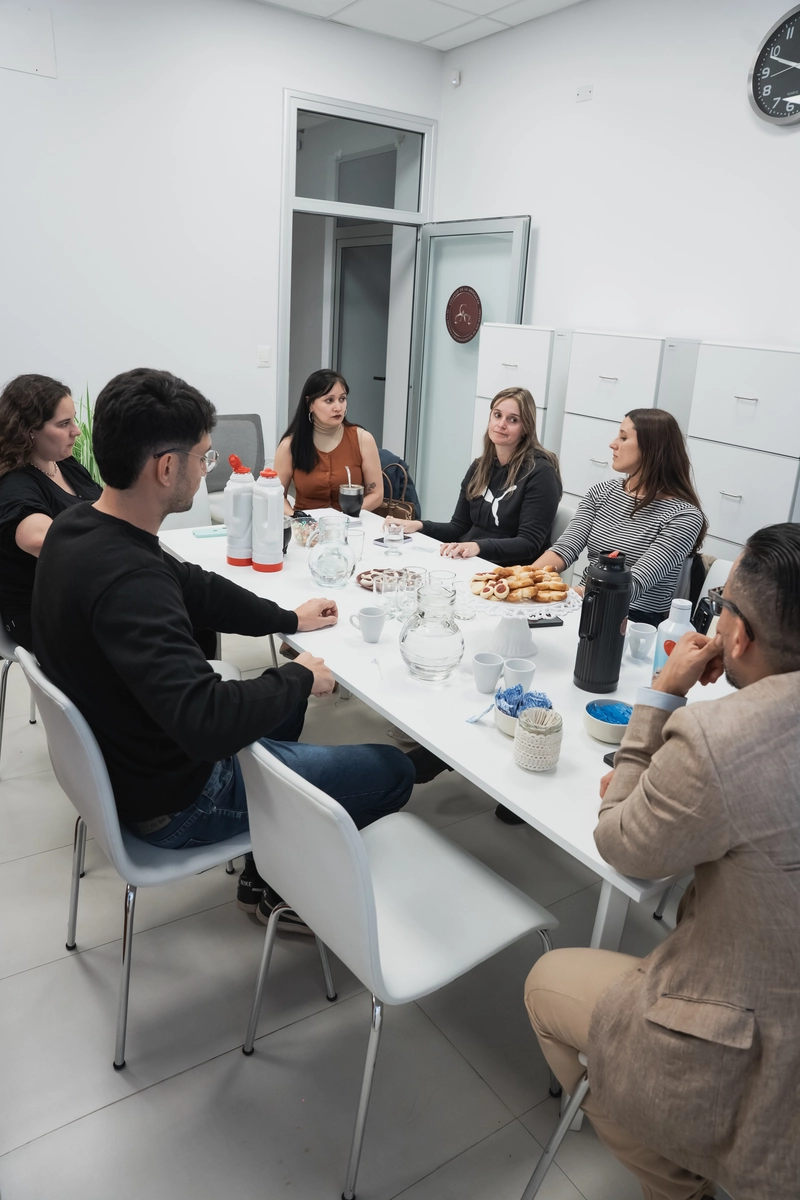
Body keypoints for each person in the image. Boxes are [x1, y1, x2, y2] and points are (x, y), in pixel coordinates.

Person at [32, 368, 418, 933]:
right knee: (391, 770)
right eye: (204, 457)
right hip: (177, 800)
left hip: (132, 756)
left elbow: (199, 588)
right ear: (167, 468)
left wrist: (289, 619)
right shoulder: (130, 582)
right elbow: (207, 721)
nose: (205, 469)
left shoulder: (80, 528)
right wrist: (299, 677)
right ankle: (284, 887)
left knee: (280, 705)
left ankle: (271, 858)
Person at [524, 522, 800, 1200]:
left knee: (546, 983)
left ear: (738, 636)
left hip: (761, 1045)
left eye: (722, 606)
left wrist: (661, 697)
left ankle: (674, 1173)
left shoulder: (719, 739)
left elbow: (624, 843)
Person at [533, 408, 706, 625]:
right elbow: (565, 548)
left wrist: (567, 596)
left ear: (651, 447)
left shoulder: (684, 516)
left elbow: (634, 583)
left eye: (623, 438)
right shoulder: (601, 492)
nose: (613, 444)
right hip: (584, 604)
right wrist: (524, 578)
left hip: (635, 619)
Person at [389, 388, 562, 566]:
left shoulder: (541, 473)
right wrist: (418, 525)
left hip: (509, 572)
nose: (501, 424)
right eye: (497, 415)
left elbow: (529, 543)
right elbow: (458, 527)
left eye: (513, 420)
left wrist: (477, 546)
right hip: (471, 562)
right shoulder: (480, 466)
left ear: (526, 427)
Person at [0, 375, 102, 649]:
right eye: (64, 424)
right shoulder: (15, 484)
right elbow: (38, 539)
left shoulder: (64, 464)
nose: (76, 431)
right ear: (28, 430)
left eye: (73, 420)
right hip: (46, 617)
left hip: (87, 598)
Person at [274, 369, 384, 515]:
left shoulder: (363, 438)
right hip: (306, 524)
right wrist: (296, 518)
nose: (338, 407)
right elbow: (276, 496)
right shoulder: (289, 445)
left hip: (350, 523)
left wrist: (345, 517)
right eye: (329, 400)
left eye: (342, 399)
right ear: (310, 404)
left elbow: (376, 494)